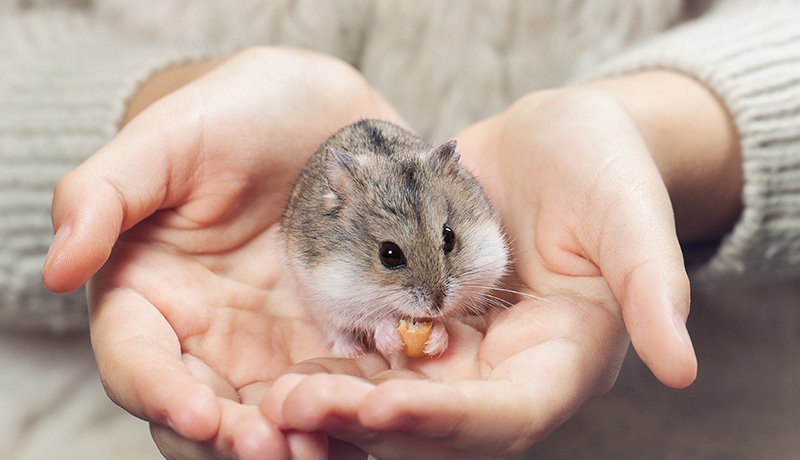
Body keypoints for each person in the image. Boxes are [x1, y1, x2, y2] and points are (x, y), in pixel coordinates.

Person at [1, 1, 796, 459]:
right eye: (394, 260)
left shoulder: (463, 211)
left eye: (446, 250)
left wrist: (669, 138)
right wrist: (159, 117)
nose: (436, 292)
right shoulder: (322, 230)